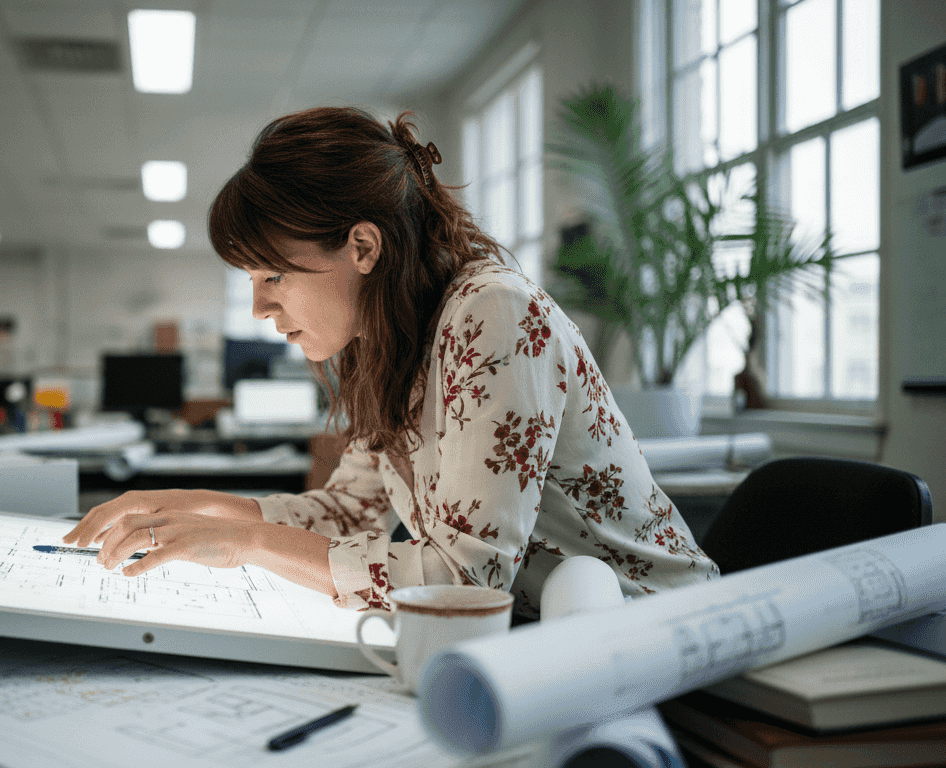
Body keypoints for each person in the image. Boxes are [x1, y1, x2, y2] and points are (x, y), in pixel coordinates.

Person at [65, 107, 717, 617]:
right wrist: (187, 505)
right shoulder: (393, 341)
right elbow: (346, 513)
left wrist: (250, 543)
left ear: (363, 247)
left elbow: (466, 578)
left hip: (655, 634)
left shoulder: (493, 312)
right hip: (546, 635)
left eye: (273, 276)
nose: (262, 308)